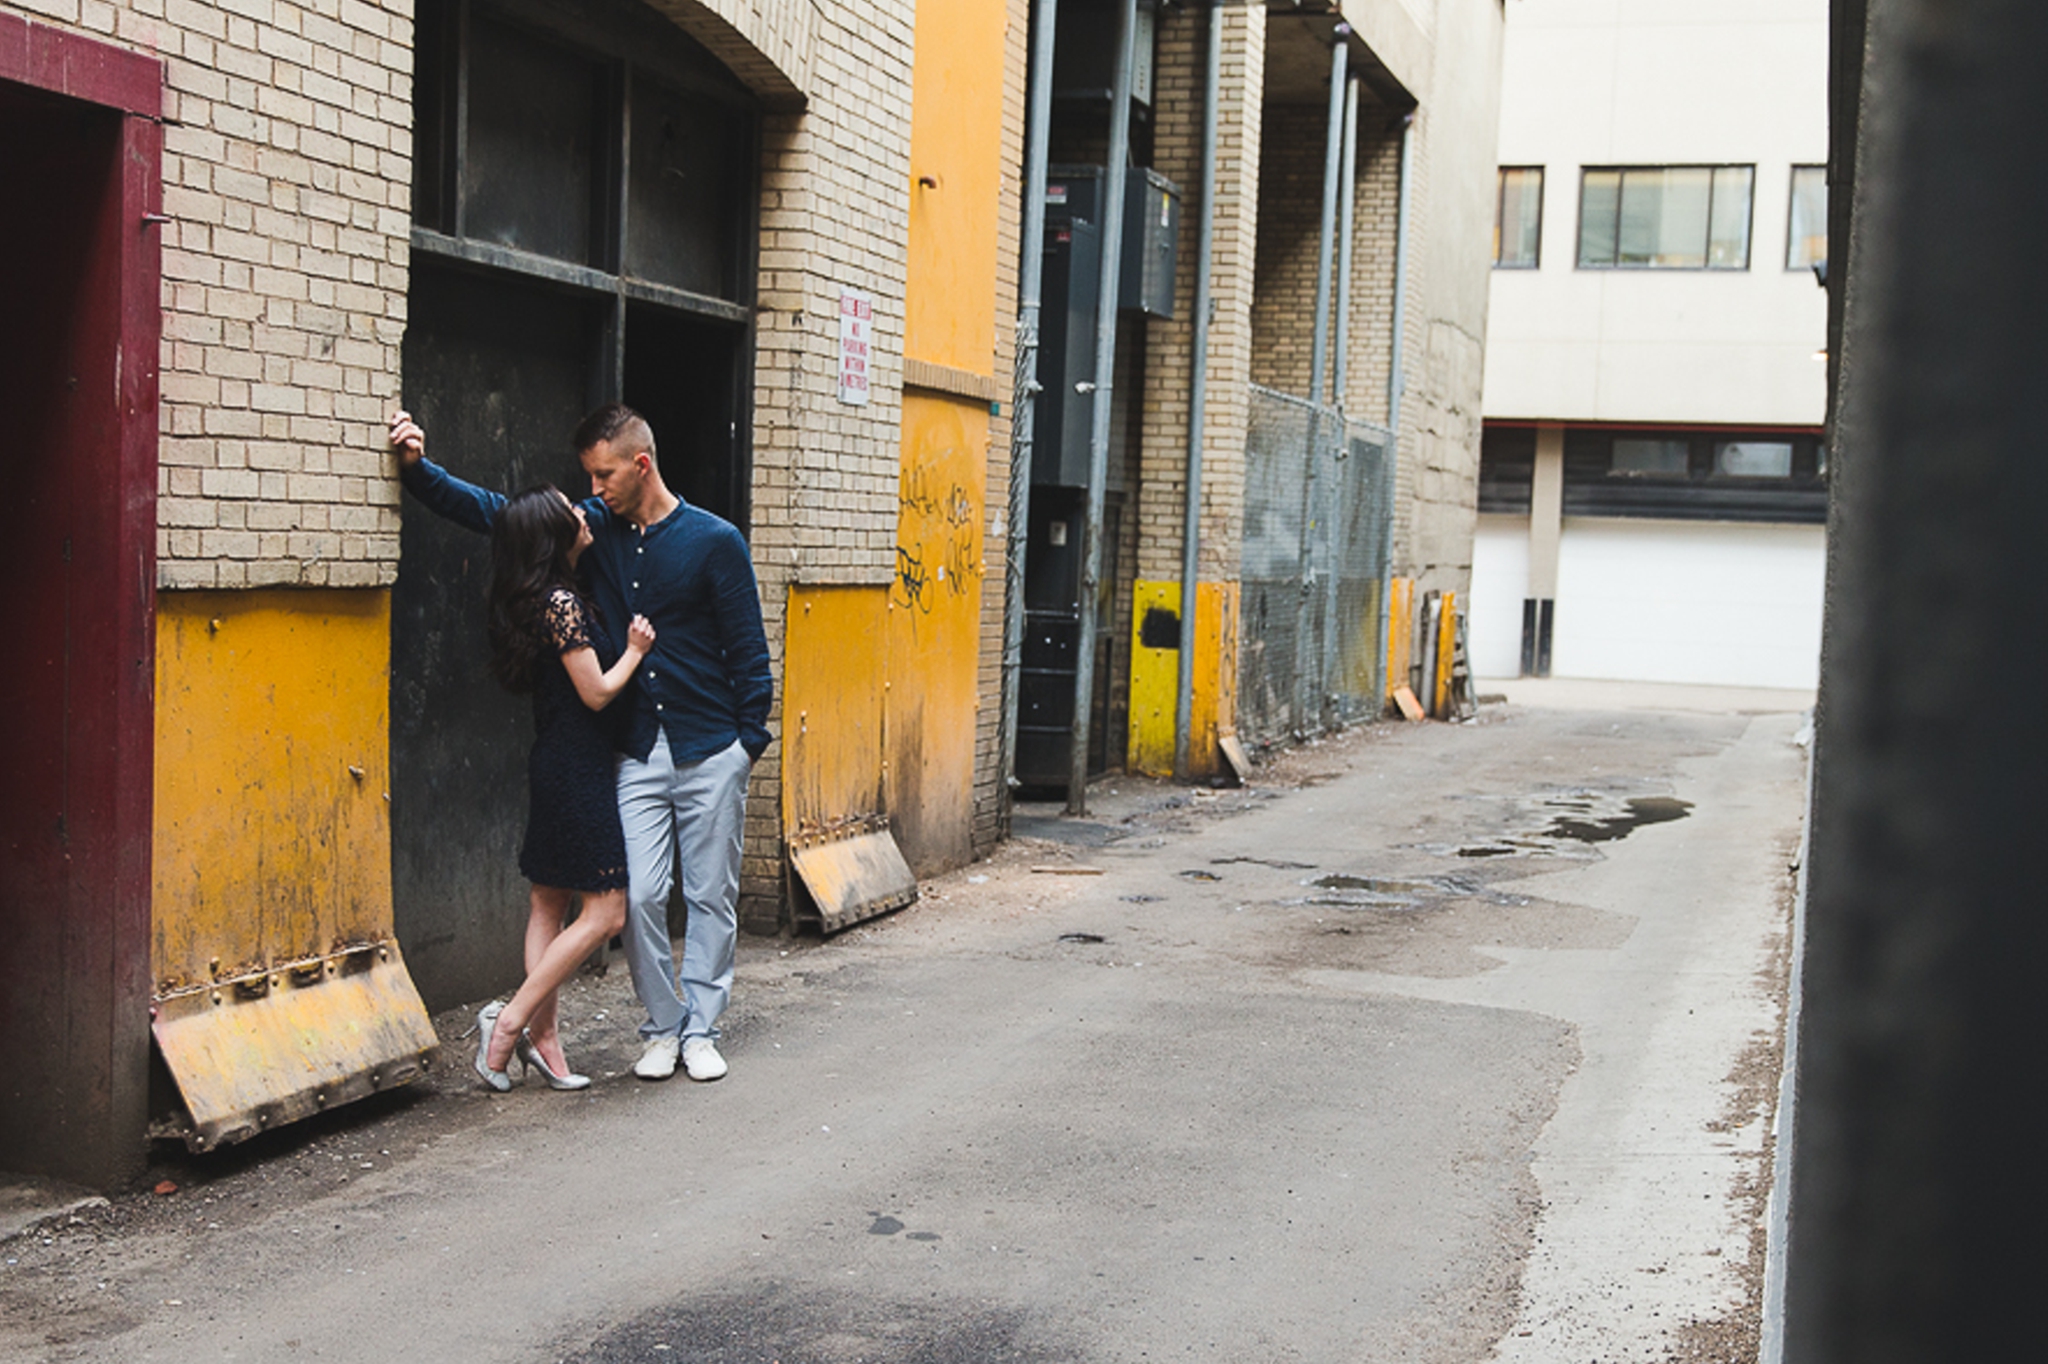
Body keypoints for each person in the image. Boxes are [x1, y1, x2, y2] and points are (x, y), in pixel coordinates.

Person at [390, 404, 772, 1084]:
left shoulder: (715, 541)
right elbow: (500, 515)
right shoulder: (595, 529)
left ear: (640, 465)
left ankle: (701, 1030)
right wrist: (422, 474)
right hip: (635, 747)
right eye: (590, 478)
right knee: (644, 896)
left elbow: (748, 651)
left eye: (603, 475)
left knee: (711, 893)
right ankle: (660, 1029)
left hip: (711, 745)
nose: (593, 491)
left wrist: (748, 742)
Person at [473, 487, 655, 1091]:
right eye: (569, 511)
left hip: (556, 760)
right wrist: (633, 652)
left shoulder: (546, 598)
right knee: (606, 912)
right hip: (577, 770)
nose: (583, 512)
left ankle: (544, 1044)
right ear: (554, 534)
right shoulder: (561, 603)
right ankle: (510, 1024)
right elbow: (597, 691)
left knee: (548, 903)